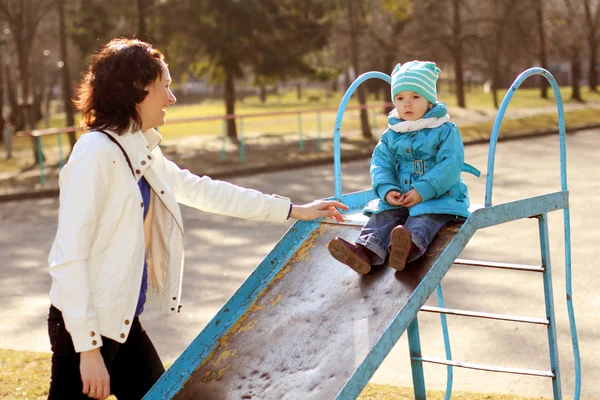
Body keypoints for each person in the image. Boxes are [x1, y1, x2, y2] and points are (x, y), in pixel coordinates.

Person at [47, 38, 347, 400]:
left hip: (120, 321)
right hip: (85, 327)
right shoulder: (95, 153)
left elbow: (203, 191)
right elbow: (68, 257)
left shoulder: (138, 147)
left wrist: (291, 209)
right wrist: (89, 350)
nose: (172, 98)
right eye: (166, 87)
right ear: (137, 90)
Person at [328, 60, 470, 275]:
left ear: (430, 101)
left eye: (415, 97)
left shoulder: (444, 130)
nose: (407, 104)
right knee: (383, 214)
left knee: (425, 216)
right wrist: (387, 190)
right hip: (400, 195)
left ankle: (406, 248)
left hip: (439, 195)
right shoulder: (392, 134)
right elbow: (380, 164)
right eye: (400, 98)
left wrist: (423, 191)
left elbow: (450, 164)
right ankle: (364, 251)